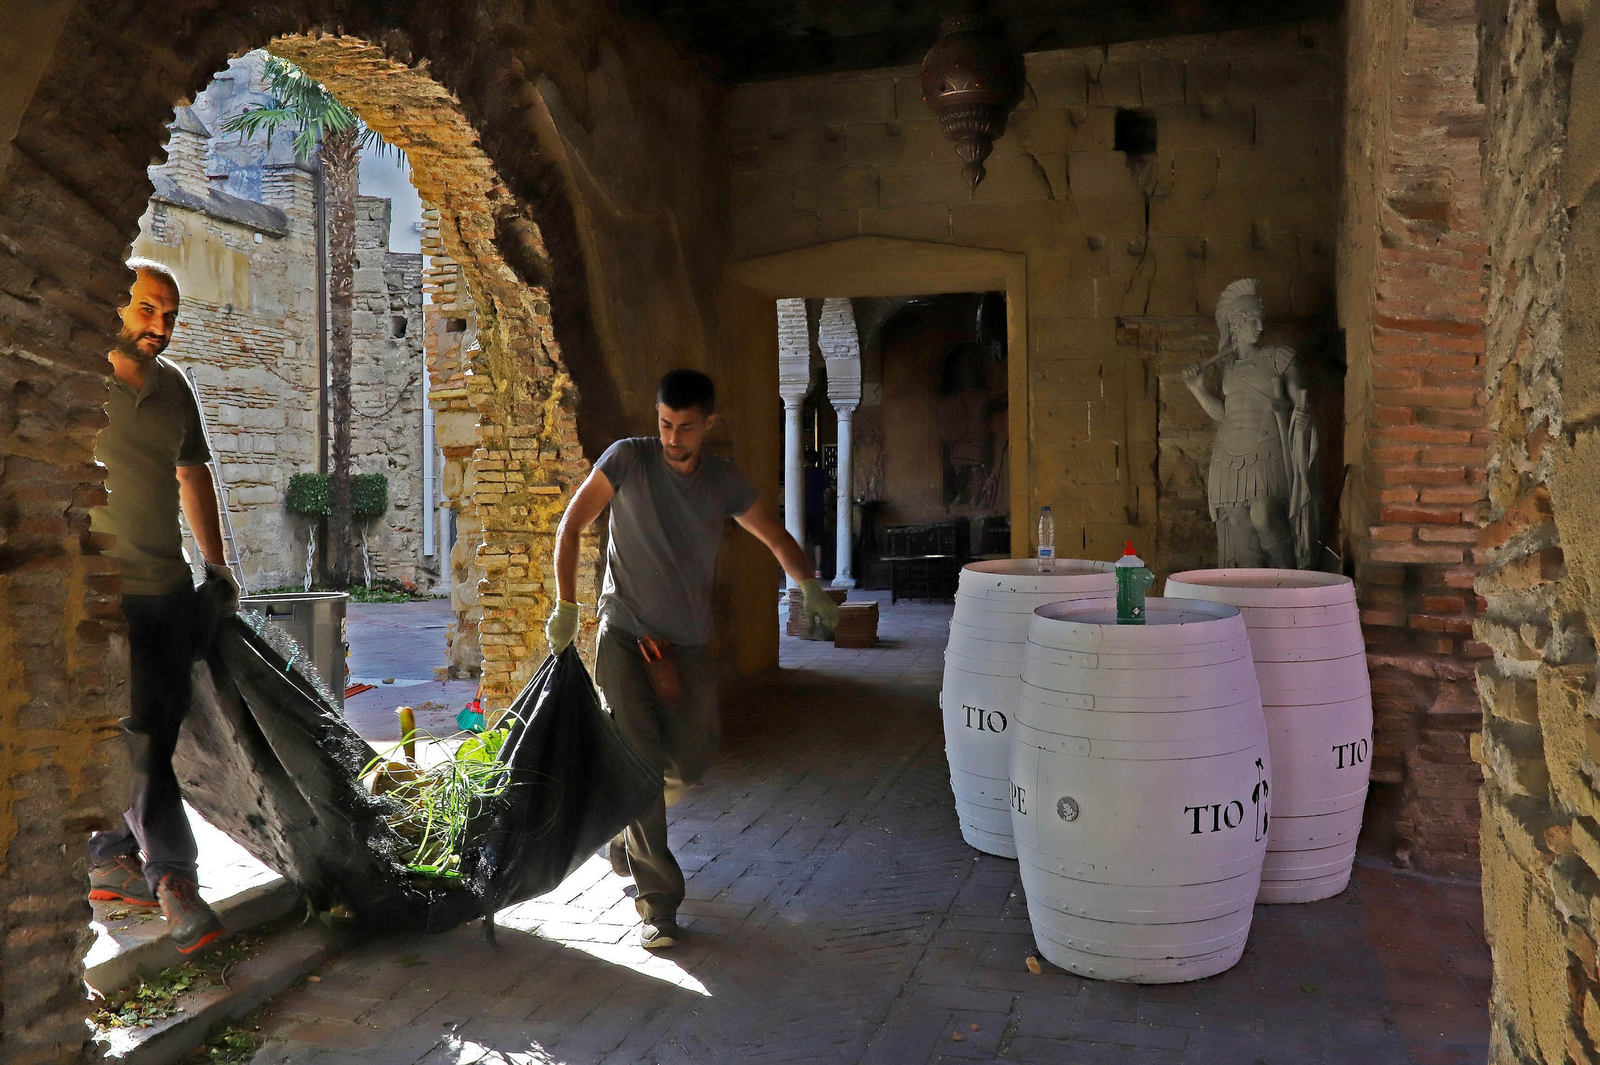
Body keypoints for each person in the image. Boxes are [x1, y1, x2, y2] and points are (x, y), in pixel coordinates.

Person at [546, 369, 841, 950]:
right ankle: (658, 903)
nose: (673, 438)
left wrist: (807, 585)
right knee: (639, 759)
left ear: (708, 423)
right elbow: (573, 523)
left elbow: (776, 537)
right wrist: (567, 605)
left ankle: (624, 826)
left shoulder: (723, 482)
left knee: (694, 754)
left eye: (685, 427)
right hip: (625, 635)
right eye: (664, 424)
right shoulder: (629, 460)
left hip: (686, 644)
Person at [86, 259, 236, 955]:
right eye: (149, 309)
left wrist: (216, 565)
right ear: (121, 303)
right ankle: (174, 880)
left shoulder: (176, 389)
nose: (159, 326)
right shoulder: (80, 377)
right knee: (140, 733)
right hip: (103, 591)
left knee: (160, 730)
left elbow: (193, 474)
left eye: (170, 315)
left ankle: (112, 855)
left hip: (169, 590)